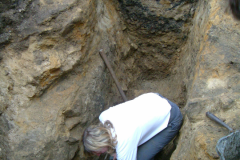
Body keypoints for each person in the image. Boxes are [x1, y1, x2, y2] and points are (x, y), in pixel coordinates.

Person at [83, 92, 183, 160]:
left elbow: (123, 142)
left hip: (171, 117)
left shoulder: (123, 140)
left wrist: (119, 154)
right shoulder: (104, 116)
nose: (96, 154)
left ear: (99, 144)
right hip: (154, 98)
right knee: (113, 156)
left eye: (95, 151)